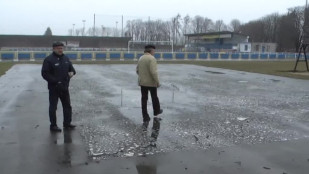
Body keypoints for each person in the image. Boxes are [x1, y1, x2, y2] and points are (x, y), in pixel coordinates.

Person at [42, 42, 76, 132]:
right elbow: (45, 74)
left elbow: (71, 69)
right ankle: (53, 125)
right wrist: (55, 81)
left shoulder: (66, 58)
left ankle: (67, 123)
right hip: (54, 88)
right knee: (53, 107)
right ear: (53, 49)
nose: (60, 50)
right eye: (58, 48)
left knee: (67, 106)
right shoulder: (48, 60)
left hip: (64, 88)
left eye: (61, 48)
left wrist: (72, 72)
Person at [136, 44, 163, 123]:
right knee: (154, 98)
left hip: (142, 82)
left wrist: (143, 77)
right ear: (151, 51)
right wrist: (157, 82)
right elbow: (153, 72)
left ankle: (145, 116)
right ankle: (156, 112)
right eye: (154, 51)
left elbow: (137, 70)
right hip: (151, 83)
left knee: (144, 99)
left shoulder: (141, 58)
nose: (154, 52)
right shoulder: (152, 59)